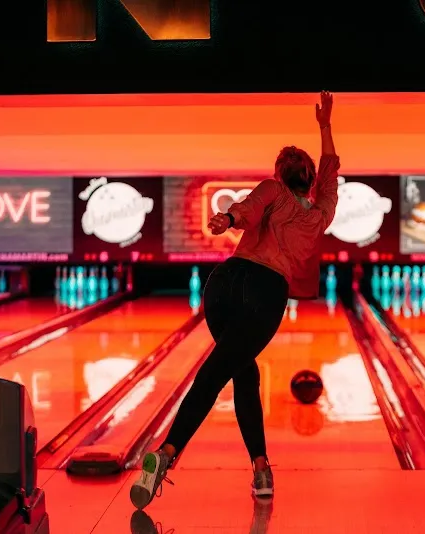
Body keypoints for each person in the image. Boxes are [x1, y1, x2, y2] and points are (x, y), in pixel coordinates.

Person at [130, 91, 339, 509]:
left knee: (243, 373)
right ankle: (166, 453)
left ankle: (261, 469)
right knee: (217, 373)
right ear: (310, 178)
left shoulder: (272, 191)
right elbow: (331, 171)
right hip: (264, 293)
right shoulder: (321, 212)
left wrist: (226, 219)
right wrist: (325, 125)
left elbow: (247, 207)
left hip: (223, 283)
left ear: (279, 174)